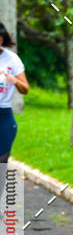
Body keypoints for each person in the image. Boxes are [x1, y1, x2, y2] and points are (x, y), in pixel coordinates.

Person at [0, 23, 29, 165]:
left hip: (4, 114)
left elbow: (25, 88)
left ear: (3, 38)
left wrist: (14, 81)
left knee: (2, 161)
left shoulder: (12, 59)